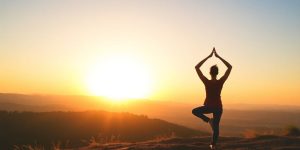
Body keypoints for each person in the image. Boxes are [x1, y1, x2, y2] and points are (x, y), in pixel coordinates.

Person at [192, 47, 232, 149]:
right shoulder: (220, 81)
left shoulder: (206, 81)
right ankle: (213, 145)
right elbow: (230, 67)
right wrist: (218, 57)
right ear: (217, 73)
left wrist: (209, 57)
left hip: (209, 107)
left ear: (210, 72)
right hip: (218, 107)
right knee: (216, 128)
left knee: (195, 111)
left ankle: (208, 120)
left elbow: (197, 67)